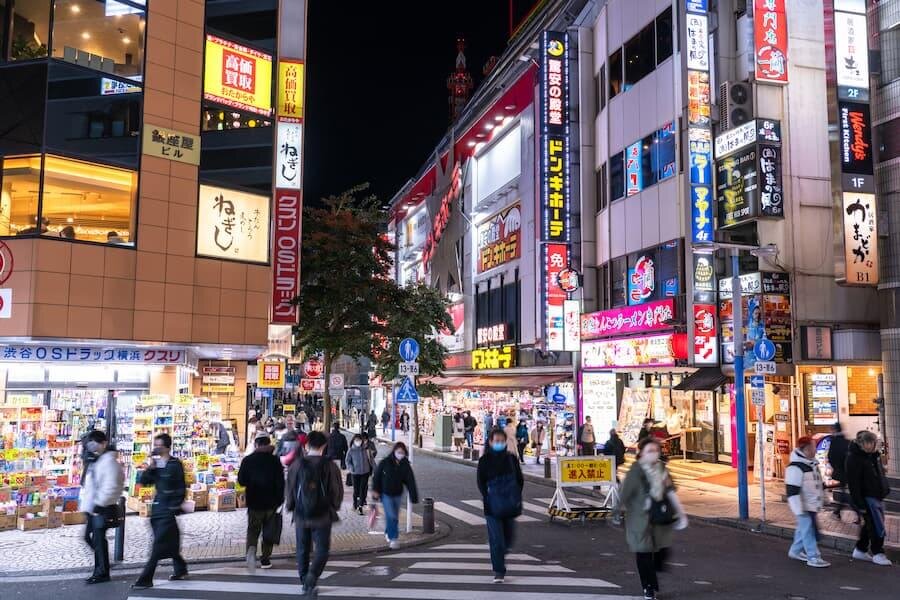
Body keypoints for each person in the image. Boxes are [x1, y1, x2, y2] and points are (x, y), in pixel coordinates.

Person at [617, 437, 688, 600]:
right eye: (649, 451)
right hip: (638, 520)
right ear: (641, 453)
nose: (654, 454)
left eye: (656, 450)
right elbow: (624, 494)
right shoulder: (635, 471)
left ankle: (653, 575)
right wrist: (616, 512)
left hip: (659, 517)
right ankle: (648, 587)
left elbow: (670, 491)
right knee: (643, 553)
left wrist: (681, 514)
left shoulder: (662, 469)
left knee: (661, 552)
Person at [285, 431, 343, 597]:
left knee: (302, 548)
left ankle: (304, 581)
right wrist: (334, 506)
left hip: (301, 514)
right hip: (323, 515)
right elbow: (336, 490)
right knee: (322, 550)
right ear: (324, 446)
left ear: (306, 445)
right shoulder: (330, 466)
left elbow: (290, 489)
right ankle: (312, 576)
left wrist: (291, 507)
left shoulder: (296, 465)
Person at [132, 434, 189, 590]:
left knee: (158, 546)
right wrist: (150, 466)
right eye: (155, 444)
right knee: (169, 541)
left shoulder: (174, 464)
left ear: (167, 447)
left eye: (159, 445)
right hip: (156, 510)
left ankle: (146, 578)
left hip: (167, 511)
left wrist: (175, 505)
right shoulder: (156, 465)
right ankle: (181, 568)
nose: (156, 447)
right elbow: (144, 482)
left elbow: (181, 487)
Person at [477, 428, 524, 583]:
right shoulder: (484, 460)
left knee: (508, 540)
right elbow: (480, 483)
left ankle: (500, 554)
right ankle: (499, 571)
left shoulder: (511, 459)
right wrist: (489, 497)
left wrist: (515, 496)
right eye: (496, 441)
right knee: (497, 540)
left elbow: (519, 479)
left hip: (510, 504)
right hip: (492, 506)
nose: (499, 443)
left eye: (502, 441)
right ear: (490, 442)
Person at [79, 430, 125, 584]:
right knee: (89, 538)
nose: (92, 445)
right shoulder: (96, 460)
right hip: (94, 507)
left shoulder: (110, 462)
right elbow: (89, 483)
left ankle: (102, 571)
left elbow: (113, 486)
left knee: (98, 540)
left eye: (95, 442)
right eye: (90, 442)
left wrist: (99, 504)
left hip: (102, 508)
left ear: (104, 443)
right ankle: (102, 567)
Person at [238, 435, 285, 572]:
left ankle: (251, 552)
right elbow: (281, 483)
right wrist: (280, 500)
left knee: (253, 530)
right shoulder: (275, 461)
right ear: (268, 444)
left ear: (256, 445)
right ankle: (265, 559)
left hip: (254, 502)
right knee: (268, 532)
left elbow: (241, 481)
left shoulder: (248, 460)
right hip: (272, 503)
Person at [846, 430, 892, 566]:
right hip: (867, 497)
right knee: (876, 525)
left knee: (871, 524)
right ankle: (878, 552)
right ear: (865, 443)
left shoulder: (872, 456)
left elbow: (879, 474)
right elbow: (854, 483)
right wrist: (859, 504)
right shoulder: (854, 458)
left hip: (875, 495)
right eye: (872, 442)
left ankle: (860, 549)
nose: (875, 445)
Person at [785, 436, 830, 568]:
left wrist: (823, 498)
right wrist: (799, 510)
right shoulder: (796, 468)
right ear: (805, 449)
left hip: (810, 504)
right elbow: (792, 492)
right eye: (813, 447)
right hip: (804, 506)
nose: (815, 450)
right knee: (808, 530)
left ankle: (795, 551)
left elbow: (819, 484)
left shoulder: (812, 464)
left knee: (804, 529)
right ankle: (813, 556)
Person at [372, 441, 419, 549]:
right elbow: (377, 476)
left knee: (395, 517)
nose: (400, 454)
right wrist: (375, 490)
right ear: (394, 451)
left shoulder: (405, 465)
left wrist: (413, 495)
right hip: (386, 494)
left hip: (398, 494)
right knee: (391, 516)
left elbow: (410, 480)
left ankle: (388, 531)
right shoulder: (385, 462)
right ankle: (394, 538)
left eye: (402, 452)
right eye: (398, 452)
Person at [826, 422, 853, 520]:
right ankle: (838, 511)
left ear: (835, 430)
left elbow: (830, 456)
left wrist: (835, 467)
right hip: (848, 470)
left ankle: (840, 511)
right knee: (844, 489)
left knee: (844, 491)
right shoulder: (847, 441)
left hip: (840, 470)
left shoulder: (834, 441)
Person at [346, 434, 375, 514]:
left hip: (365, 473)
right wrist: (352, 468)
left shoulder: (366, 450)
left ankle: (360, 506)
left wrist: (376, 470)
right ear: (353, 441)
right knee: (356, 490)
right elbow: (347, 461)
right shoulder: (351, 450)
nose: (358, 442)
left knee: (362, 490)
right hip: (355, 473)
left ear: (362, 441)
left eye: (359, 440)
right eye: (356, 440)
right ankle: (355, 504)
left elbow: (372, 461)